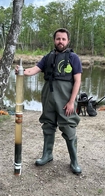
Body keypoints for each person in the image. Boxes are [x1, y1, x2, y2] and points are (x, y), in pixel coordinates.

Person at [15, 28, 83, 175]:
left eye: (63, 39)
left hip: (65, 98)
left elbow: (77, 81)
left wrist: (72, 102)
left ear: (68, 41)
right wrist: (21, 71)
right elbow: (34, 70)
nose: (60, 41)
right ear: (54, 40)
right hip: (49, 97)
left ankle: (74, 161)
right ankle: (47, 155)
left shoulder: (73, 58)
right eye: (58, 39)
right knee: (48, 125)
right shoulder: (48, 57)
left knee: (68, 127)